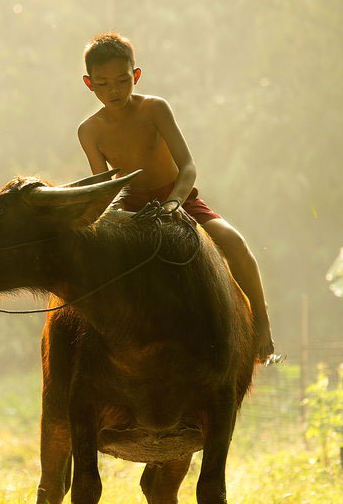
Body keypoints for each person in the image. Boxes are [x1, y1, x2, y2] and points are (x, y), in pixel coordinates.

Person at [77, 32, 277, 362]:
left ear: (136, 75)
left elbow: (187, 167)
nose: (114, 90)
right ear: (89, 84)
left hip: (177, 199)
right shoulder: (90, 130)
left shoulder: (155, 109)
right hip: (130, 210)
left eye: (122, 80)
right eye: (103, 83)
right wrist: (119, 216)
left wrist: (173, 203)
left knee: (234, 243)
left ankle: (262, 324)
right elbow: (105, 188)